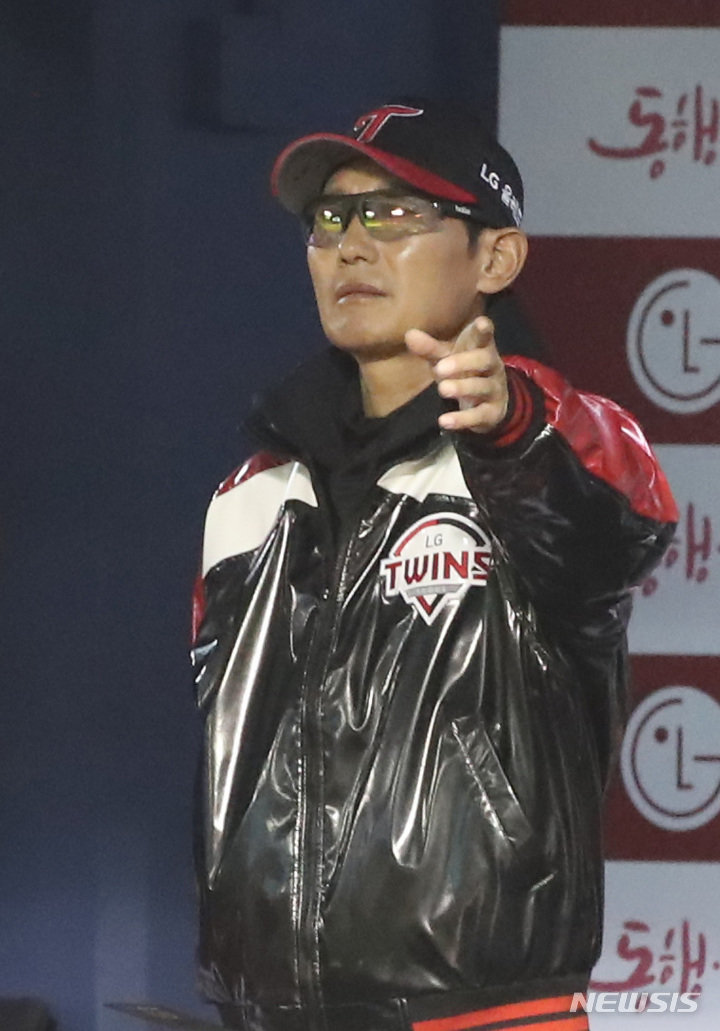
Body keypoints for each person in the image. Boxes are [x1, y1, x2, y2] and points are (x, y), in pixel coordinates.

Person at [191, 99, 677, 1031]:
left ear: (496, 258)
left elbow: (623, 521)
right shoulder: (248, 499)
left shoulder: (534, 462)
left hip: (487, 1011)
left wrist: (512, 423)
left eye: (393, 214)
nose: (351, 245)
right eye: (330, 218)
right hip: (269, 1012)